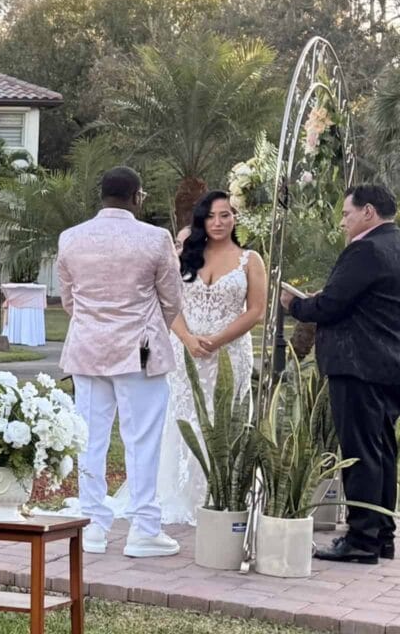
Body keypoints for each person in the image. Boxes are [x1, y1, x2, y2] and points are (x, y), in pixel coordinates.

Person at [57, 166, 183, 558]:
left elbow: (68, 299)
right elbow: (172, 298)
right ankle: (144, 528)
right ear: (137, 197)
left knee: (90, 440)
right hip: (141, 349)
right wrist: (147, 327)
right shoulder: (155, 237)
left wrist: (94, 322)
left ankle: (93, 526)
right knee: (142, 439)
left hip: (87, 348)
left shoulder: (71, 238)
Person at [282, 183, 400, 564]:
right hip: (389, 364)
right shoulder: (395, 244)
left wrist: (295, 305)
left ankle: (362, 539)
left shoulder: (365, 249)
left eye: (346, 213)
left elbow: (331, 305)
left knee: (361, 452)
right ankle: (382, 533)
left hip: (358, 363)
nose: (342, 221)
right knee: (382, 450)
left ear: (368, 211)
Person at [155, 190, 266, 525]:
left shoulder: (250, 259)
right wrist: (188, 339)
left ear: (235, 218)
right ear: (201, 219)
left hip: (230, 354)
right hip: (186, 351)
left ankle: (221, 492)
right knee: (183, 416)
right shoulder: (185, 255)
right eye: (212, 216)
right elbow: (168, 303)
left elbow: (257, 311)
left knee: (225, 418)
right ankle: (175, 492)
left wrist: (216, 340)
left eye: (226, 215)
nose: (218, 222)